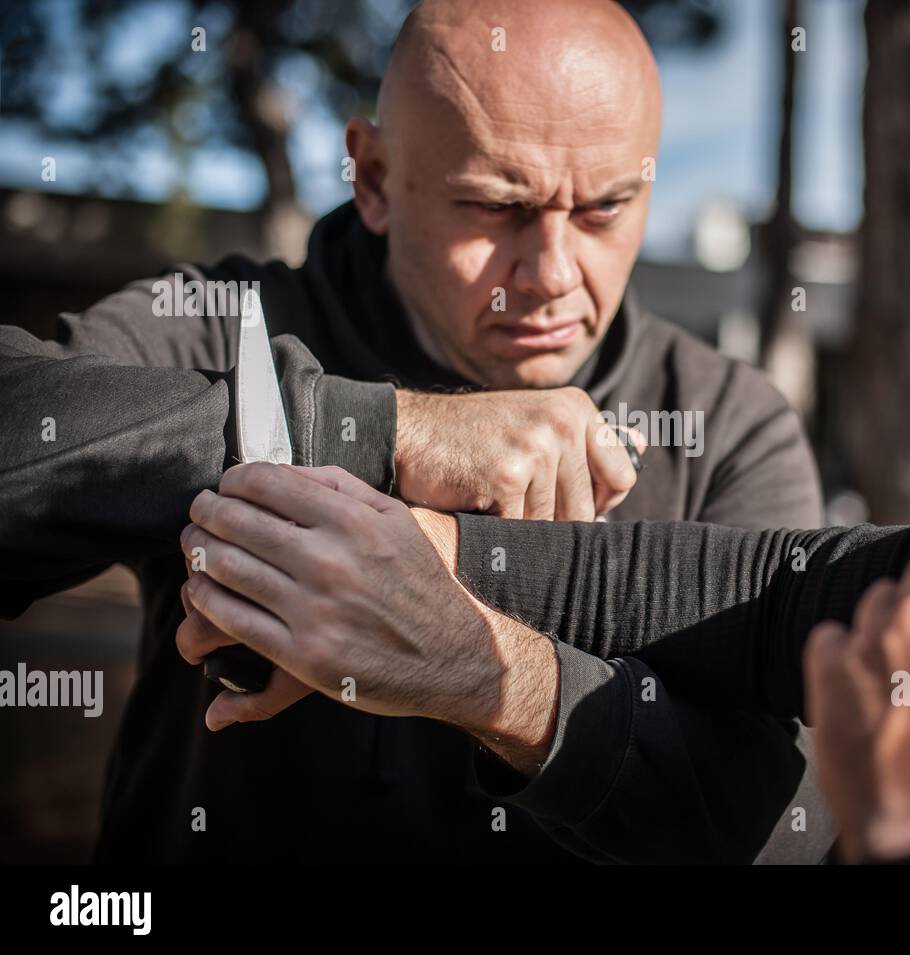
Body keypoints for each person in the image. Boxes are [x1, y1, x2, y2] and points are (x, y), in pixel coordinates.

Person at [180, 0, 910, 863]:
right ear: (370, 177)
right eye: (492, 204)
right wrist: (386, 536)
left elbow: (759, 811)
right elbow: (768, 590)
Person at [0, 0, 831, 863]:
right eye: (495, 205)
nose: (549, 274)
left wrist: (496, 681)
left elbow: (781, 825)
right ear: (372, 178)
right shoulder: (225, 328)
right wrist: (370, 431)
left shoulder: (726, 423)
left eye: (605, 209)